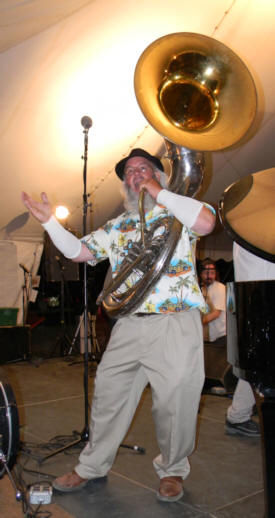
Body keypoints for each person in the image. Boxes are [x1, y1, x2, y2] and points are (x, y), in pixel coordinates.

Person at [22, 148, 215, 502]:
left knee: (175, 403)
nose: (135, 174)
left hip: (174, 322)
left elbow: (206, 224)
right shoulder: (118, 225)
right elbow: (79, 252)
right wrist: (49, 222)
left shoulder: (179, 209)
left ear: (160, 175)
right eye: (129, 171)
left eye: (144, 168)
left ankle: (172, 469)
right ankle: (91, 466)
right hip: (128, 324)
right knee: (108, 396)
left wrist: (159, 192)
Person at [225, 242, 275, 437]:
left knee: (256, 368)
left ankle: (237, 416)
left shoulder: (246, 229)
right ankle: (237, 417)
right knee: (258, 368)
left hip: (255, 302)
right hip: (262, 303)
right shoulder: (257, 232)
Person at [199, 258, 226, 346]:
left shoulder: (220, 288)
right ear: (201, 274)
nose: (209, 276)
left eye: (212, 273)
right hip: (207, 338)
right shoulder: (202, 289)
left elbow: (216, 313)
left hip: (220, 338)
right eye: (206, 273)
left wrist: (196, 322)